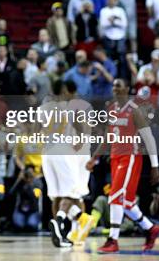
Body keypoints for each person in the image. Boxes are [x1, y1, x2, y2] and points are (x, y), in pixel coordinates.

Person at [86, 79, 159, 253]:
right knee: (126, 202)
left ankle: (113, 240)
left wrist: (155, 166)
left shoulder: (135, 111)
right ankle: (151, 228)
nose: (115, 88)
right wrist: (94, 158)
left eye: (119, 85)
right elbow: (107, 136)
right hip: (115, 158)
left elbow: (149, 139)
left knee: (115, 196)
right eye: (113, 86)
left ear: (127, 88)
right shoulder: (111, 109)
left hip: (131, 158)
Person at [42, 80, 94, 247]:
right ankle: (70, 226)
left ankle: (68, 230)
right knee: (73, 194)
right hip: (71, 153)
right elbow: (85, 130)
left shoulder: (44, 107)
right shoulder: (75, 106)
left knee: (57, 195)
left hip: (48, 151)